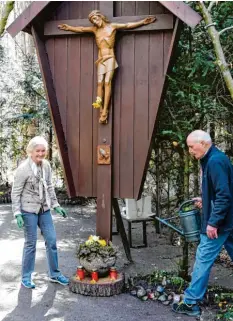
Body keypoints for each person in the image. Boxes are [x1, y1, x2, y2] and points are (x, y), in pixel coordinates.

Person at [173, 130, 233, 317]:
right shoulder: (213, 158)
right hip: (228, 220)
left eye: (192, 146)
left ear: (204, 143)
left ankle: (190, 303)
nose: (190, 150)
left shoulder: (215, 162)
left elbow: (224, 195)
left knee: (203, 258)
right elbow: (222, 190)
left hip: (220, 223)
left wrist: (213, 222)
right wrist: (205, 199)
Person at [58, 10, 155, 124]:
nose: (94, 22)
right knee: (99, 83)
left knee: (107, 82)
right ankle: (99, 106)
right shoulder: (95, 30)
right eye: (92, 20)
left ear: (100, 17)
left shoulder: (112, 26)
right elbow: (81, 29)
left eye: (95, 18)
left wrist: (143, 22)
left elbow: (128, 25)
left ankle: (105, 110)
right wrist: (68, 27)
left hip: (110, 58)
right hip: (100, 59)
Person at [11, 136, 69, 289]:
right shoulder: (23, 169)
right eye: (38, 151)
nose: (41, 153)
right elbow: (15, 193)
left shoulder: (46, 166)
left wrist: (56, 205)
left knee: (51, 240)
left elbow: (49, 186)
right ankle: (26, 277)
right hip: (28, 210)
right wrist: (17, 213)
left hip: (44, 209)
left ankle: (55, 274)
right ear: (31, 151)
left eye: (43, 151)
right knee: (30, 244)